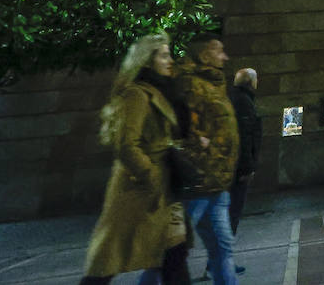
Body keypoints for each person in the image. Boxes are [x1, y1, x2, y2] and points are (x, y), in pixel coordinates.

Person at [80, 34, 189, 285]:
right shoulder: (137, 94)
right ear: (147, 61)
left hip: (164, 188)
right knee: (106, 263)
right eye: (164, 55)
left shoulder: (161, 89)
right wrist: (150, 175)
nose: (170, 60)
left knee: (175, 256)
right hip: (138, 190)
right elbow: (127, 145)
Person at [174, 34, 240, 285]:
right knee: (174, 250)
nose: (225, 57)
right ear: (204, 56)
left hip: (217, 183)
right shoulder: (190, 85)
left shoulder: (213, 85)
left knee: (223, 248)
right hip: (198, 183)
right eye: (219, 51)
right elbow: (179, 128)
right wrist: (198, 149)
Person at [227, 69, 261, 238]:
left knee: (230, 214)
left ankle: (222, 260)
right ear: (250, 82)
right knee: (233, 212)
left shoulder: (233, 98)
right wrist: (247, 167)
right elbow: (246, 136)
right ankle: (221, 261)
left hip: (234, 165)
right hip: (239, 167)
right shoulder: (244, 102)